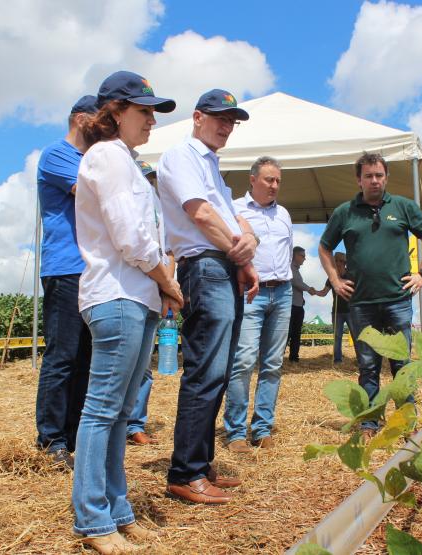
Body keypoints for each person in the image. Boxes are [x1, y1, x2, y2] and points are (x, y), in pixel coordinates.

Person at [71, 71, 182, 554]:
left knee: (119, 414)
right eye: (144, 112)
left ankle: (117, 511)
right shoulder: (108, 157)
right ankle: (94, 521)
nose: (152, 121)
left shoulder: (128, 162)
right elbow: (130, 237)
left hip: (136, 296)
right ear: (115, 112)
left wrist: (160, 286)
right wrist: (168, 281)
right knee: (101, 410)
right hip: (117, 294)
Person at [157, 89, 259, 505]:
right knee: (205, 371)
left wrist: (244, 252)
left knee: (217, 370)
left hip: (221, 267)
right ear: (197, 117)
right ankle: (185, 472)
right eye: (220, 117)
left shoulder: (211, 166)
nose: (227, 125)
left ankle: (199, 462)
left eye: (232, 120)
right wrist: (241, 249)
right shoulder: (182, 156)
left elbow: (233, 217)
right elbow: (200, 213)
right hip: (204, 266)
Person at [319, 152, 422, 438]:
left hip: (397, 300)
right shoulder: (345, 212)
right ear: (359, 179)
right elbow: (324, 247)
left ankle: (406, 421)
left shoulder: (403, 206)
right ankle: (370, 422)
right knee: (368, 365)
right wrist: (335, 281)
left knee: (402, 364)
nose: (374, 181)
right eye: (369, 176)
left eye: (379, 175)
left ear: (386, 177)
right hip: (361, 303)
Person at [34, 94, 97, 469]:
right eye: (98, 118)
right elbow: (91, 194)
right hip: (65, 268)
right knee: (63, 355)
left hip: (92, 270)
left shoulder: (92, 160)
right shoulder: (57, 155)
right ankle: (51, 439)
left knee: (86, 357)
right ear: (79, 118)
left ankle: (73, 436)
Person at [223, 156, 293, 453]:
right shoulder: (235, 209)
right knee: (244, 360)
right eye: (268, 179)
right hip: (251, 292)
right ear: (252, 180)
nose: (274, 185)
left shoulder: (285, 214)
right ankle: (236, 431)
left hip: (283, 292)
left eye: (277, 180)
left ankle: (261, 428)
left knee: (273, 364)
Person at [125, 161, 172, 447]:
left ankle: (134, 424)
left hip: (155, 291)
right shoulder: (132, 202)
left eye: (152, 177)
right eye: (147, 177)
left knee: (143, 367)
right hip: (133, 290)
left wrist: (169, 285)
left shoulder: (160, 208)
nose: (151, 181)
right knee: (127, 364)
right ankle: (123, 424)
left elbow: (169, 251)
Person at [287, 246, 324, 362]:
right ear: (294, 255)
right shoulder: (290, 268)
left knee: (295, 333)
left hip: (297, 306)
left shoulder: (295, 269)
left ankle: (293, 358)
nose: (305, 258)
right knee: (288, 333)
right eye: (302, 256)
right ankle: (285, 358)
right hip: (292, 306)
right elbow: (296, 282)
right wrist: (309, 289)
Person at [321, 252, 353, 364]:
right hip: (337, 312)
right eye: (335, 262)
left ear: (344, 263)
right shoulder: (331, 277)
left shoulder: (351, 275)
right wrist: (313, 291)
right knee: (337, 337)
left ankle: (361, 360)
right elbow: (324, 292)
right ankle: (337, 360)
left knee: (356, 336)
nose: (336, 264)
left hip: (351, 311)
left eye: (338, 261)